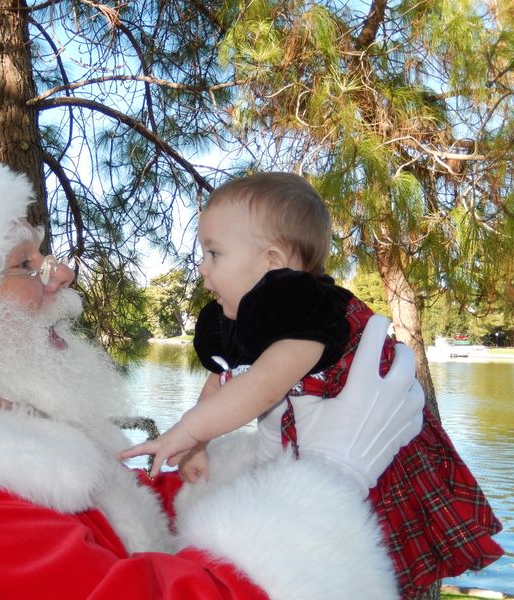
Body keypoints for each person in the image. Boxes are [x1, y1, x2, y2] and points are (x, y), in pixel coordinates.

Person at [0, 153, 424, 600]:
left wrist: (254, 460)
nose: (60, 275)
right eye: (25, 265)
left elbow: (124, 533)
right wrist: (325, 483)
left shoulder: (0, 462)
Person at [120, 173, 504, 599]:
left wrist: (183, 434)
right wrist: (198, 444)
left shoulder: (308, 312)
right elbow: (224, 380)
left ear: (271, 260)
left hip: (380, 471)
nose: (201, 267)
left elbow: (260, 389)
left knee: (369, 569)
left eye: (214, 253)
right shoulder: (253, 313)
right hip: (321, 458)